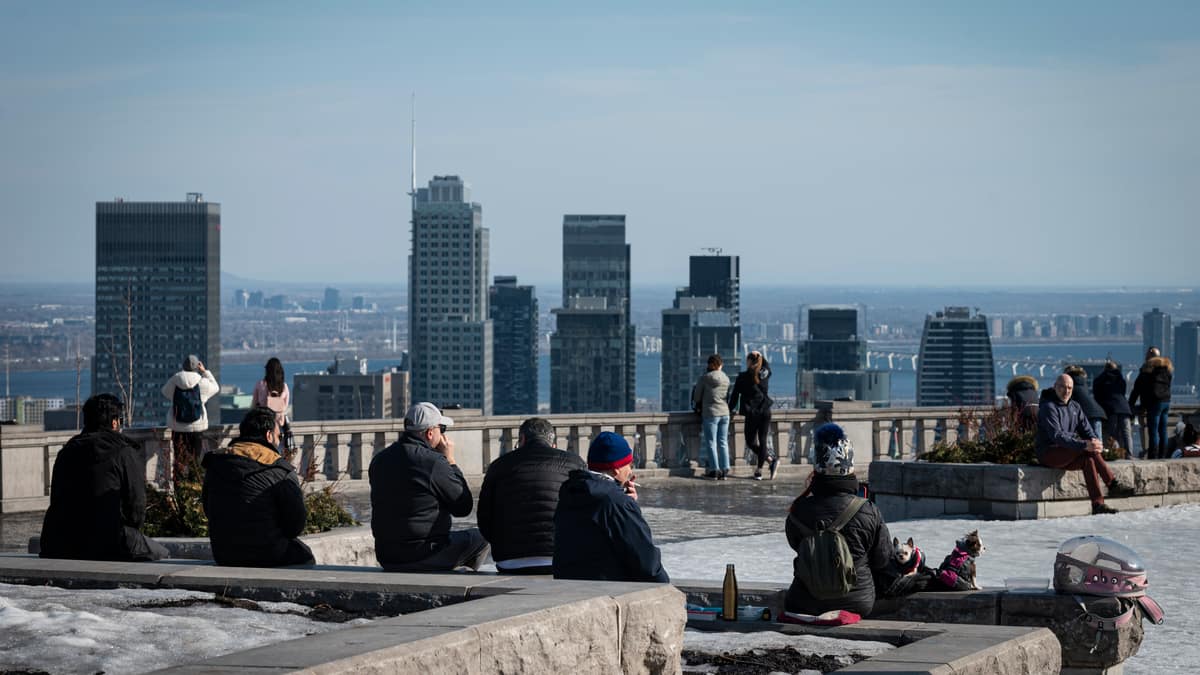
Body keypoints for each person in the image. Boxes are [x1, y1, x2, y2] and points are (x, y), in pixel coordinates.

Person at [40, 393, 169, 562]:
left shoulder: (67, 451)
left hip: (58, 542)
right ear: (114, 422)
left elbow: (56, 499)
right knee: (163, 555)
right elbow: (136, 505)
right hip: (106, 542)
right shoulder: (123, 452)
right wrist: (128, 531)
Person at [785, 423, 892, 617]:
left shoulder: (799, 509)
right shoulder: (868, 510)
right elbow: (882, 559)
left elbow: (796, 545)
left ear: (816, 467)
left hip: (803, 601)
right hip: (857, 602)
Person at [369, 402, 489, 572]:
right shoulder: (432, 462)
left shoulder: (379, 460)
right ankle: (458, 585)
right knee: (480, 538)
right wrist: (450, 461)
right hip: (422, 554)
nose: (443, 435)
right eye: (442, 429)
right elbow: (463, 507)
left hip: (386, 556)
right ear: (430, 433)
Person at [201, 407, 314, 567]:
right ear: (269, 435)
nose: (279, 440)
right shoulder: (279, 470)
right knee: (304, 555)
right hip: (268, 554)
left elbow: (208, 509)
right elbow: (295, 526)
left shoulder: (217, 463)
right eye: (278, 436)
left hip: (224, 554)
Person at [553, 431, 669, 583]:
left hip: (568, 586)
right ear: (616, 469)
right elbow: (647, 564)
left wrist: (624, 501)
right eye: (629, 464)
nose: (630, 471)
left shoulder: (571, 491)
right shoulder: (616, 503)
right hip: (609, 589)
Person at [477, 417, 586, 574]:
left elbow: (484, 520)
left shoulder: (498, 466)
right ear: (552, 442)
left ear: (522, 439)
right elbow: (587, 513)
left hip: (509, 561)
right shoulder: (575, 463)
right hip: (563, 558)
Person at [1037, 374, 1135, 515]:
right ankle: (1112, 484)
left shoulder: (1075, 406)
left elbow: (1087, 429)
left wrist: (1096, 442)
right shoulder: (1048, 407)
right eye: (1062, 387)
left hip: (1068, 452)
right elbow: (1057, 436)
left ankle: (1098, 505)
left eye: (1070, 388)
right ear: (1055, 387)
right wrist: (1084, 445)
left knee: (1088, 460)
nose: (1066, 391)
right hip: (1049, 453)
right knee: (1086, 450)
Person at [161, 354, 220, 478]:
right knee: (195, 461)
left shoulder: (175, 380)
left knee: (179, 460)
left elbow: (164, 392)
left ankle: (179, 489)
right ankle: (194, 488)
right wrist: (205, 372)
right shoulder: (202, 382)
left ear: (183, 366)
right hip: (197, 428)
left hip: (178, 427)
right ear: (197, 366)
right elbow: (216, 387)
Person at [729, 351, 778, 480]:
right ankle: (761, 469)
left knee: (751, 442)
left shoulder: (743, 377)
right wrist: (761, 356)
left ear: (749, 361)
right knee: (762, 441)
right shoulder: (764, 374)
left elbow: (735, 396)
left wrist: (729, 409)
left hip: (752, 412)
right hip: (765, 411)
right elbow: (767, 366)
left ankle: (766, 464)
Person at [1129, 347, 1173, 459]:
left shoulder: (1147, 370)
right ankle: (1164, 455)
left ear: (1148, 356)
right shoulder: (1166, 369)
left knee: (1153, 431)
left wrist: (1130, 404)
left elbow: (1137, 388)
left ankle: (1153, 456)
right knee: (1163, 430)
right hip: (1166, 401)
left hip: (1154, 403)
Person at [692, 354, 731, 480]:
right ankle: (725, 469)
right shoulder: (726, 378)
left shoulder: (705, 378)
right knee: (723, 442)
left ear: (709, 365)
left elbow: (697, 397)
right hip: (725, 413)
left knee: (711, 442)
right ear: (720, 365)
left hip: (711, 413)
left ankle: (714, 470)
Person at [251, 357, 294, 457]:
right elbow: (285, 407)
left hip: (263, 424)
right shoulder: (284, 387)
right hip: (280, 425)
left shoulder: (260, 385)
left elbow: (253, 406)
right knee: (279, 454)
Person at [1093, 360, 1134, 455]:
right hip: (1124, 408)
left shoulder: (1099, 380)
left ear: (1105, 369)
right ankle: (1129, 454)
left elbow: (1097, 396)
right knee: (1126, 433)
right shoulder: (1121, 379)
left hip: (1110, 409)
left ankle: (1113, 454)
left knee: (1112, 434)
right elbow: (1122, 393)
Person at [1063, 365, 1106, 440]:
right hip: (1097, 412)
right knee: (1098, 442)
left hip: (1087, 414)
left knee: (1093, 442)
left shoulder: (1070, 384)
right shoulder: (1082, 382)